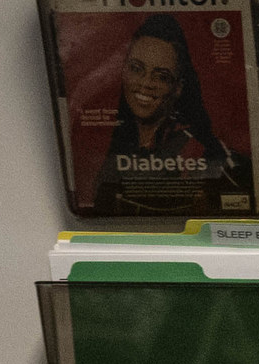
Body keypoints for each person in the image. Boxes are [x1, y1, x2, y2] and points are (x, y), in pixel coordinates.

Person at [83, 13, 238, 216]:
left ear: (177, 88)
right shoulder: (107, 143)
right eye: (136, 69)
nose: (146, 83)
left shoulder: (198, 149)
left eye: (161, 77)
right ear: (123, 71)